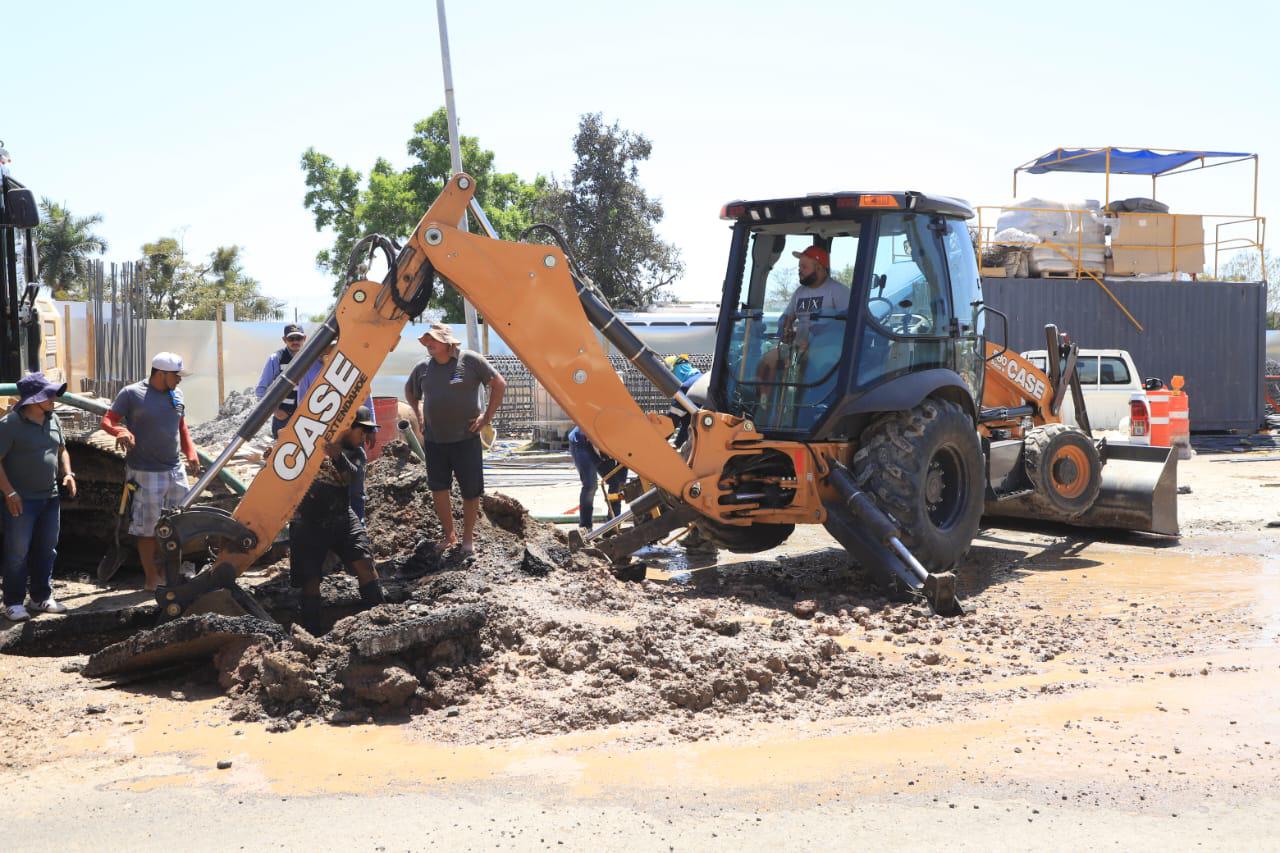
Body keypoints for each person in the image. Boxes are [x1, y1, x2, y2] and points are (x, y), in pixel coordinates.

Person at [404, 323, 506, 558]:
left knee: (470, 491)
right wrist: (418, 412)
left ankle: (468, 539)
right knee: (439, 488)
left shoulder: (470, 360)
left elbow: (498, 384)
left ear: (447, 342)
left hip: (465, 438)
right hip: (435, 440)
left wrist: (487, 417)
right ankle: (449, 535)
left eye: (433, 340)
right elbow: (410, 391)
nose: (429, 344)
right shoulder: (423, 368)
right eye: (426, 341)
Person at [100, 352, 200, 591]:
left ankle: (170, 574)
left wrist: (191, 452)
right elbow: (107, 420)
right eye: (176, 376)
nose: (179, 380)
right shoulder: (132, 394)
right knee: (147, 528)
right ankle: (152, 578)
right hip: (145, 471)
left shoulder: (177, 394)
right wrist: (120, 432)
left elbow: (181, 426)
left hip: (174, 470)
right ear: (161, 374)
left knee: (176, 524)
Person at [289, 407, 384, 635]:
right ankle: (312, 634)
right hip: (308, 520)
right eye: (362, 431)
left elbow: (350, 476)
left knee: (365, 562)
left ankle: (381, 618)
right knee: (310, 579)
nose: (365, 437)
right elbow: (286, 463)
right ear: (347, 428)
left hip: (341, 516)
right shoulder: (314, 445)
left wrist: (337, 456)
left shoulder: (356, 454)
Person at [0, 373, 75, 621]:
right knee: (17, 552)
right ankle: (12, 601)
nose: (53, 398)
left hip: (50, 497)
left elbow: (61, 449)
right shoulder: (10, 424)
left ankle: (40, 597)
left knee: (47, 548)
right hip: (22, 500)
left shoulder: (53, 420)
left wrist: (68, 473)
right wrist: (9, 492)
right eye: (48, 394)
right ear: (34, 399)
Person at [567, 425, 627, 532]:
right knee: (590, 486)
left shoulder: (629, 442)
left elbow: (621, 477)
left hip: (604, 446)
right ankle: (585, 526)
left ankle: (613, 524)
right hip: (583, 442)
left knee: (616, 483)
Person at [256, 323, 308, 438]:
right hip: (284, 419)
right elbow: (261, 390)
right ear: (284, 339)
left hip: (308, 419)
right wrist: (276, 411)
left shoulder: (313, 357)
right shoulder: (276, 359)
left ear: (304, 338)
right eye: (291, 338)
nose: (295, 341)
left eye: (298, 338)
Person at [663, 354, 704, 448]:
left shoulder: (686, 387)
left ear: (678, 369)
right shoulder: (702, 380)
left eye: (672, 373)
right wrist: (677, 444)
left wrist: (658, 441)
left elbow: (671, 421)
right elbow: (688, 424)